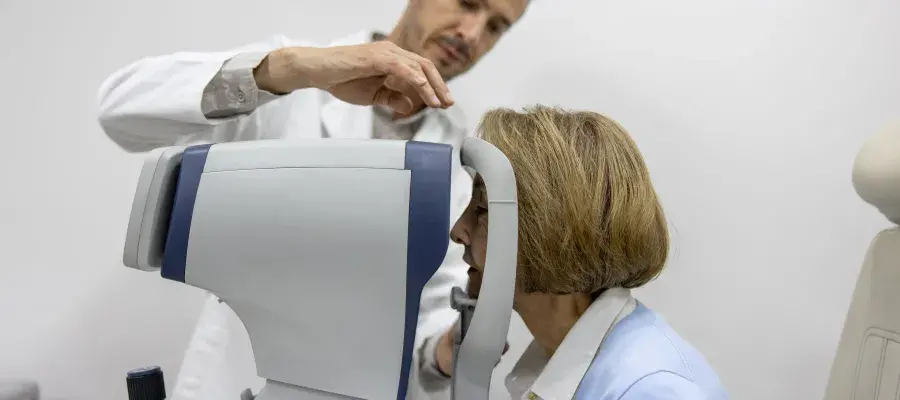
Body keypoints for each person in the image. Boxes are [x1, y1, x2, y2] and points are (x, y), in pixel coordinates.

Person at [96, 1, 530, 398]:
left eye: (496, 27)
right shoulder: (287, 79)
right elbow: (120, 110)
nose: (472, 34)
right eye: (468, 3)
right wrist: (291, 70)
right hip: (238, 380)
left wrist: (446, 352)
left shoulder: (460, 159)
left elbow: (429, 317)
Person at [450, 106, 729, 399]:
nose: (458, 231)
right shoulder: (565, 361)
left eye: (481, 208)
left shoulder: (651, 389)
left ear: (551, 230)